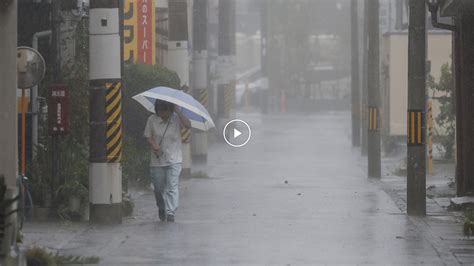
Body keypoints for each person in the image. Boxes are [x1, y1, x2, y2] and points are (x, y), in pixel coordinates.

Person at [144, 99, 191, 222]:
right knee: (158, 188)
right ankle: (162, 207)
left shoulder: (176, 119)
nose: (163, 113)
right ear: (157, 110)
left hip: (174, 159)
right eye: (160, 111)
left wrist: (178, 111)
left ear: (170, 110)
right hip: (157, 161)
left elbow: (188, 125)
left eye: (165, 110)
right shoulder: (152, 120)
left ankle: (170, 212)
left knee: (172, 186)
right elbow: (148, 136)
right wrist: (154, 145)